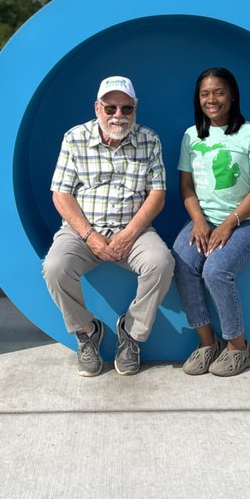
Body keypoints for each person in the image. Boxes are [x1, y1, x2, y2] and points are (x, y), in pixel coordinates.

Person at [43, 76, 174, 377]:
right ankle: (87, 331)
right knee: (55, 267)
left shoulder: (149, 140)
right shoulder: (75, 138)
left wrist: (129, 234)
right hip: (83, 230)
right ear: (97, 107)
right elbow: (61, 194)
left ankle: (131, 333)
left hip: (134, 230)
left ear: (135, 109)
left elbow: (157, 195)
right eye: (111, 108)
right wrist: (89, 235)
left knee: (161, 262)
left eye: (127, 109)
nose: (119, 116)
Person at [172, 68, 250, 377]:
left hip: (248, 223)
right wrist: (199, 222)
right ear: (197, 99)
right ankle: (207, 343)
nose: (211, 99)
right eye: (205, 94)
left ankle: (239, 348)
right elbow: (186, 187)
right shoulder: (192, 135)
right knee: (183, 261)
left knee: (215, 270)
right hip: (206, 221)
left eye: (218, 92)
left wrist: (229, 224)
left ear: (232, 95)